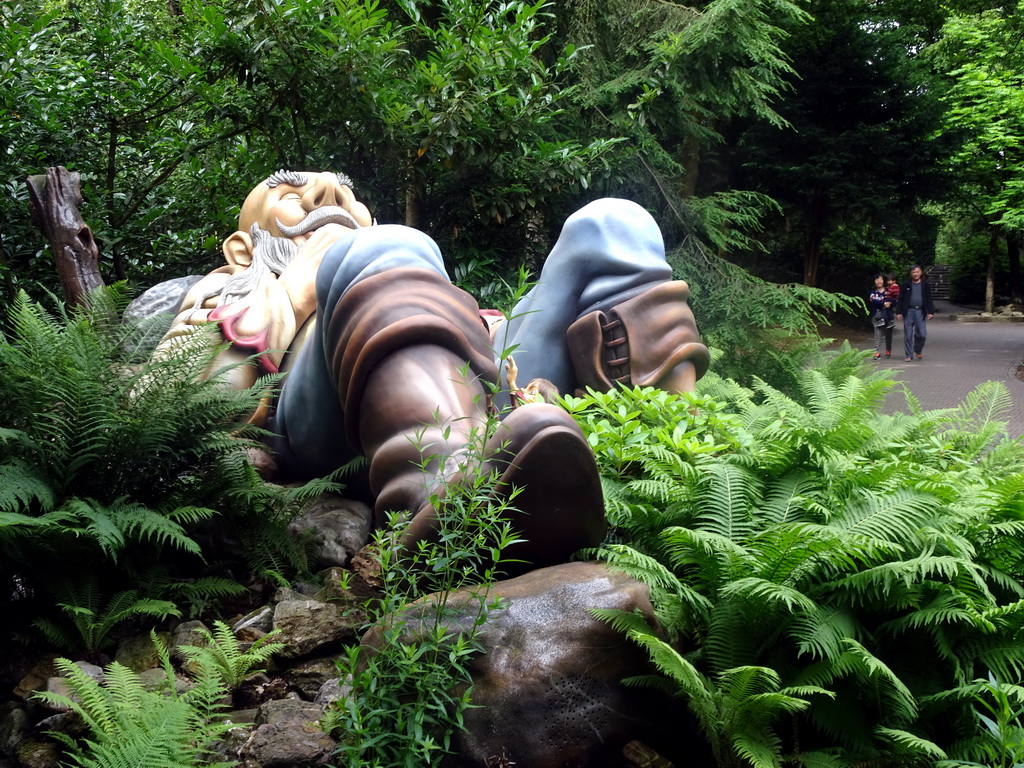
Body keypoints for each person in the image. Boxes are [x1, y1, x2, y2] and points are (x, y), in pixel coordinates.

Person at [155, 170, 710, 574]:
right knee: (393, 245)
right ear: (241, 245)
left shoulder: (413, 270)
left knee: (613, 220)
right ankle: (434, 508)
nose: (328, 195)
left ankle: (674, 476)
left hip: (481, 400)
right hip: (316, 414)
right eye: (296, 195)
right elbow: (176, 408)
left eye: (345, 193)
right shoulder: (230, 286)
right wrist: (301, 284)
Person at [895, 264, 934, 362]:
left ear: (921, 272)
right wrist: (899, 312)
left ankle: (917, 349)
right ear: (910, 274)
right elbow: (901, 298)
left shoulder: (925, 285)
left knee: (922, 334)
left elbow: (929, 298)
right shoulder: (906, 285)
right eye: (913, 272)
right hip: (908, 311)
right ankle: (909, 354)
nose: (915, 274)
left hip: (920, 311)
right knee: (908, 334)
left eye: (917, 272)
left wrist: (930, 311)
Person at [868, 274, 888, 360]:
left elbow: (893, 300)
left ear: (884, 280)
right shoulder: (873, 292)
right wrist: (883, 303)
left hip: (887, 314)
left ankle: (888, 350)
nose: (879, 281)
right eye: (877, 280)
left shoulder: (888, 291)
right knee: (877, 334)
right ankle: (877, 352)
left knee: (887, 333)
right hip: (877, 314)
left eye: (880, 279)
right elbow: (873, 301)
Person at [883, 272, 900, 358]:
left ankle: (888, 350)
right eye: (888, 280)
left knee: (888, 332)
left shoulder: (895, 287)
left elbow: (896, 297)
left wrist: (890, 302)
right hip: (882, 309)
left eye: (890, 280)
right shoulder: (887, 288)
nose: (888, 282)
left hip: (889, 305)